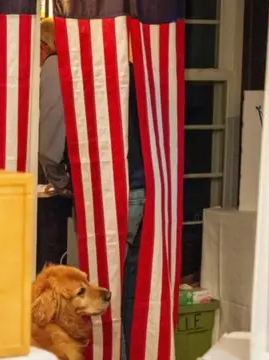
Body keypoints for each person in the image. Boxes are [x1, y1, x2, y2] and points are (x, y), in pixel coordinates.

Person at [36, 17, 72, 272]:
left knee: (49, 257)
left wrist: (60, 183)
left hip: (51, 181)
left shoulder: (53, 67)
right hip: (57, 176)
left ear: (43, 44)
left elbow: (50, 140)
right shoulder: (63, 67)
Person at [122, 59, 145, 359]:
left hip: (118, 189)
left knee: (100, 290)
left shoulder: (96, 68)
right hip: (144, 187)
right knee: (130, 291)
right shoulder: (140, 70)